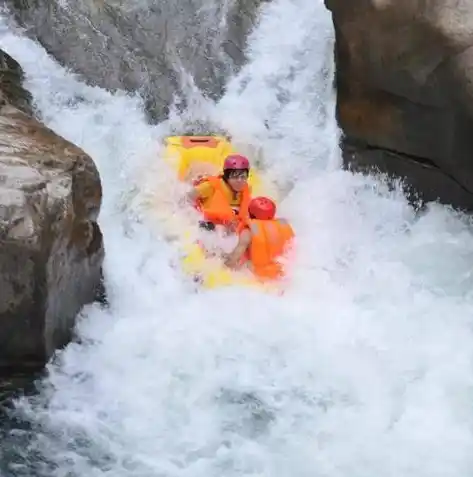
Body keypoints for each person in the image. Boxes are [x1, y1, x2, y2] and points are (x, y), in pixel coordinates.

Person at [223, 196, 295, 280]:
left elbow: (235, 257)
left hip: (257, 276)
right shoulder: (283, 226)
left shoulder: (248, 232)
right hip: (282, 273)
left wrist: (223, 266)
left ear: (250, 213)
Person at [186, 154, 252, 231]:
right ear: (227, 177)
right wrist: (194, 216)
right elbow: (188, 197)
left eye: (243, 177)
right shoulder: (210, 186)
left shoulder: (247, 189)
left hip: (231, 227)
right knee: (220, 229)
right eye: (235, 177)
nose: (239, 181)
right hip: (210, 226)